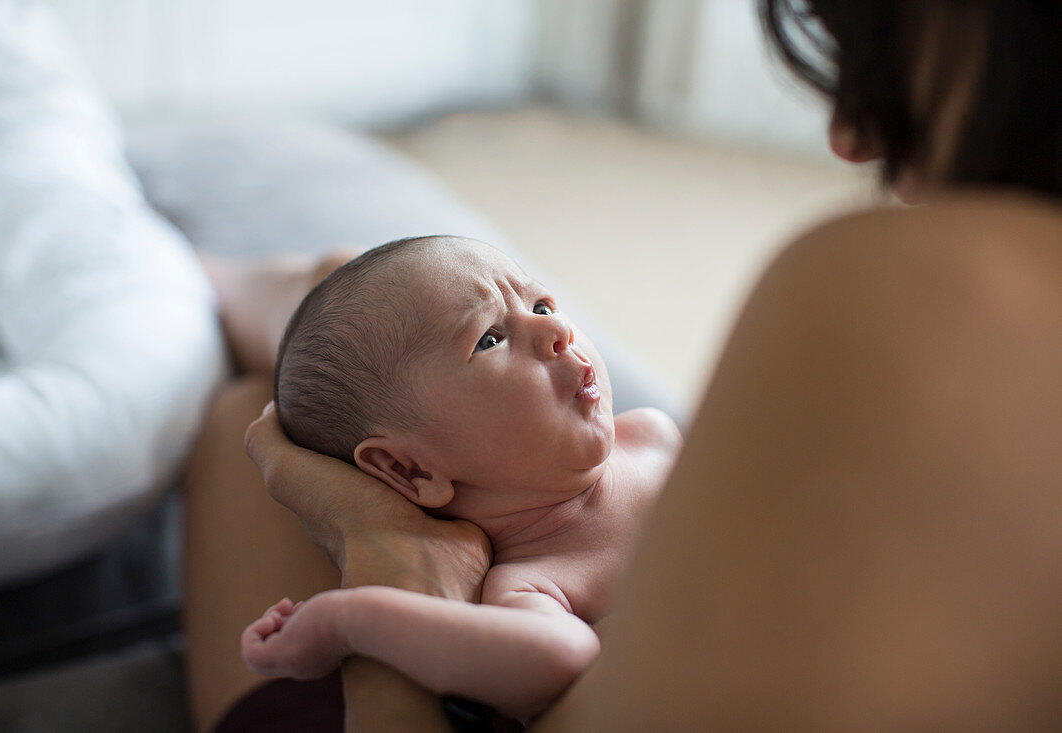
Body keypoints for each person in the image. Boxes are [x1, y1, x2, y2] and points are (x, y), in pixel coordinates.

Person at [188, 0, 1062, 730]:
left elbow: (549, 659)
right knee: (351, 313)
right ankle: (228, 282)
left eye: (883, 52)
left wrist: (382, 567)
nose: (850, 135)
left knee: (246, 417)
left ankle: (201, 282)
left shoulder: (938, 290)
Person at [238, 236, 679, 719]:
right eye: (491, 338)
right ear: (410, 469)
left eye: (542, 303)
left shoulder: (651, 435)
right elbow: (559, 658)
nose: (555, 329)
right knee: (238, 408)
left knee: (250, 391)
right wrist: (345, 621)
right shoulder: (532, 585)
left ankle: (235, 286)